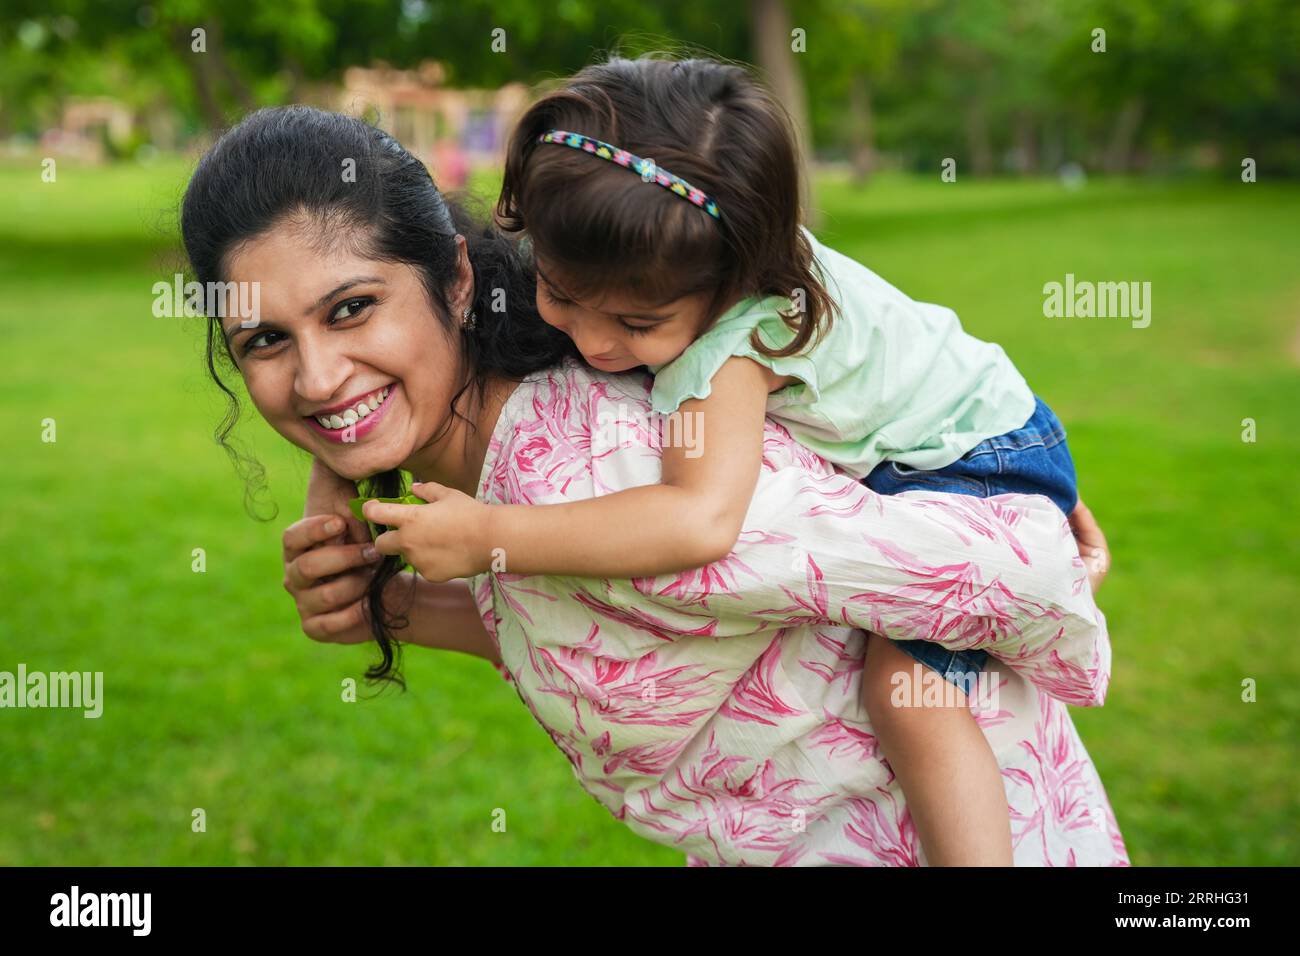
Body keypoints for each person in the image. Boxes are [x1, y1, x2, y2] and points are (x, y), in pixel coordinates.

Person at [182, 104, 1125, 865]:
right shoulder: (509, 478)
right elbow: (624, 639)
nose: (314, 378)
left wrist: (1038, 522)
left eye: (352, 308)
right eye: (265, 339)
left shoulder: (602, 459)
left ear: (457, 278)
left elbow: (985, 571)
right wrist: (390, 604)